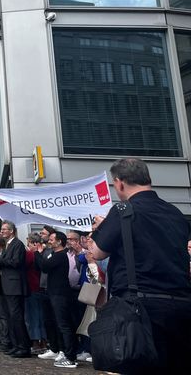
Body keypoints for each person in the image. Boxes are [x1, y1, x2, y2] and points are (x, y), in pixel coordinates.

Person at [88, 158, 191, 374]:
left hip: (139, 307)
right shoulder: (175, 214)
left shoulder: (123, 210)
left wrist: (102, 226)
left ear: (119, 183)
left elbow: (97, 252)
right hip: (181, 304)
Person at [0, 221, 31, 358]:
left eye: (5, 229)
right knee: (11, 317)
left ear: (11, 231)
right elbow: (5, 265)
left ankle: (23, 346)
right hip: (7, 285)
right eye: (1, 229)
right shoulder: (8, 245)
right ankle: (15, 344)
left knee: (16, 316)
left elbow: (16, 263)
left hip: (14, 285)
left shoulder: (17, 244)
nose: (2, 231)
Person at [35, 231, 78, 368]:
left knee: (64, 325)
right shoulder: (56, 255)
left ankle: (70, 357)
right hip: (55, 293)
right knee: (60, 324)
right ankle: (65, 352)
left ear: (59, 241)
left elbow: (45, 267)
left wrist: (38, 253)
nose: (50, 241)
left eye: (52, 239)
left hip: (60, 294)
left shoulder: (60, 255)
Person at [24, 233, 47, 354]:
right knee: (40, 315)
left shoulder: (30, 254)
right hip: (40, 287)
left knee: (32, 316)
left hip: (31, 287)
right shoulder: (42, 254)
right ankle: (43, 340)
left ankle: (36, 342)